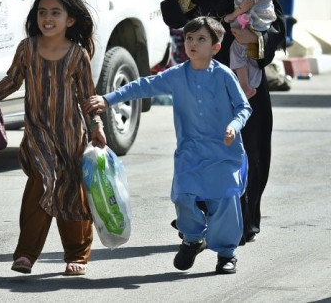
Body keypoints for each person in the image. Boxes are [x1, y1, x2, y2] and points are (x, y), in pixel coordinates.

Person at [88, 17, 252, 274]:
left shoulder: (224, 76)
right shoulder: (177, 75)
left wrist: (234, 125)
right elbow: (143, 85)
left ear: (216, 47)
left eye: (201, 39)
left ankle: (226, 253)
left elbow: (244, 107)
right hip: (190, 153)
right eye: (189, 38)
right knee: (183, 197)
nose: (193, 44)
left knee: (223, 202)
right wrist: (108, 99)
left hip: (223, 153)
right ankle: (192, 238)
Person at [160, 0, 286, 245]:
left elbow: (276, 28)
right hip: (206, 80)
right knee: (205, 149)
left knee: (249, 150)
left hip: (246, 78)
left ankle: (244, 219)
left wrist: (252, 41)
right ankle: (203, 215)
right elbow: (174, 16)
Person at [0, 0, 107, 277]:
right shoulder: (28, 48)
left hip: (71, 135)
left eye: (55, 13)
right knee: (43, 183)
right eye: (42, 12)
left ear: (70, 20)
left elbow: (87, 95)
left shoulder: (77, 54)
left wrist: (96, 126)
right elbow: (12, 80)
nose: (47, 18)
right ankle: (25, 254)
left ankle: (77, 255)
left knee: (72, 191)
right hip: (37, 134)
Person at [223, 0, 280, 99]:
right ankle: (250, 82)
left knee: (236, 51)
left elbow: (246, 4)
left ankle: (245, 86)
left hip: (250, 24)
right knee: (249, 56)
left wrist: (232, 16)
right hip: (260, 24)